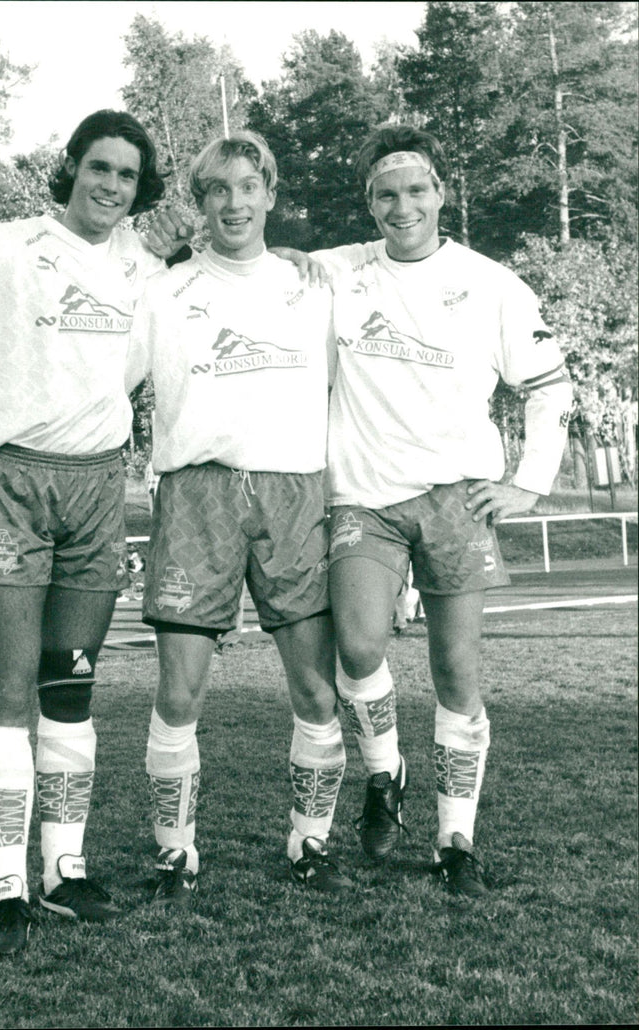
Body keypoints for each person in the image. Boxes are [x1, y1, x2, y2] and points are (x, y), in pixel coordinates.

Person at [0, 109, 190, 955]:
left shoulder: (145, 268)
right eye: (100, 168)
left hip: (98, 488)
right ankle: (6, 889)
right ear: (71, 167)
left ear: (140, 188)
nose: (112, 186)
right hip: (13, 482)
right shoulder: (6, 245)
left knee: (72, 686)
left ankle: (63, 870)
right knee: (9, 694)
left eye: (128, 176)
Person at [312, 126, 573, 897]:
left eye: (417, 190)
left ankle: (456, 837)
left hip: (458, 498)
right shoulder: (338, 273)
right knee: (358, 648)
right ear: (369, 203)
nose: (403, 206)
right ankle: (384, 770)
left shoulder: (491, 283)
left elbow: (551, 384)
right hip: (362, 493)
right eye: (386, 194)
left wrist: (530, 480)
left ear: (440, 193)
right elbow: (265, 271)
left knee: (456, 669)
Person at [125, 130, 351, 904]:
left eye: (247, 186)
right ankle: (174, 851)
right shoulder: (163, 290)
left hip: (295, 494)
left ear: (271, 194)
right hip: (198, 496)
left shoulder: (315, 285)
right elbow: (103, 379)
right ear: (201, 202)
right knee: (179, 692)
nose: (233, 202)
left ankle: (310, 839)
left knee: (315, 689)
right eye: (216, 189)